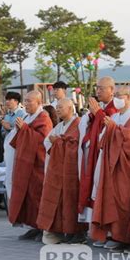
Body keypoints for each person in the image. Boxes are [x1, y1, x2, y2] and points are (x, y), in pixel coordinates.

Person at [90, 86, 130, 253]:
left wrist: (114, 129)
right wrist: (111, 129)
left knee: (128, 202)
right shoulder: (115, 116)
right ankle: (119, 237)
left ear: (128, 97)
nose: (116, 99)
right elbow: (104, 137)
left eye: (119, 96)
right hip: (112, 165)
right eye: (115, 96)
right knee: (115, 202)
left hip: (127, 167)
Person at [37, 98, 88, 245]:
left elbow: (75, 144)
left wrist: (58, 141)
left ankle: (78, 233)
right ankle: (66, 231)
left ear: (70, 108)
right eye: (57, 107)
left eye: (61, 107)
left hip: (73, 169)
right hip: (60, 169)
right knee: (62, 202)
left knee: (72, 200)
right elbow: (47, 141)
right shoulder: (60, 125)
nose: (57, 110)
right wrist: (58, 141)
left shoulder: (78, 124)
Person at [8, 91, 53, 240]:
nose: (26, 104)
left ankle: (43, 228)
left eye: (29, 101)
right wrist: (22, 129)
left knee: (38, 196)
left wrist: (26, 129)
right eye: (25, 101)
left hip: (37, 164)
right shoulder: (27, 117)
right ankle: (33, 226)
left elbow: (43, 140)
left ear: (39, 102)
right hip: (25, 164)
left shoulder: (44, 118)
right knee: (28, 197)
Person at [78, 76, 118, 235]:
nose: (98, 91)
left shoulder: (113, 108)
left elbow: (111, 127)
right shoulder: (101, 107)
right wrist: (92, 115)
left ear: (111, 90)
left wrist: (98, 113)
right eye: (97, 88)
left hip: (104, 155)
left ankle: (107, 232)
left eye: (102, 88)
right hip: (93, 153)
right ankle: (96, 229)